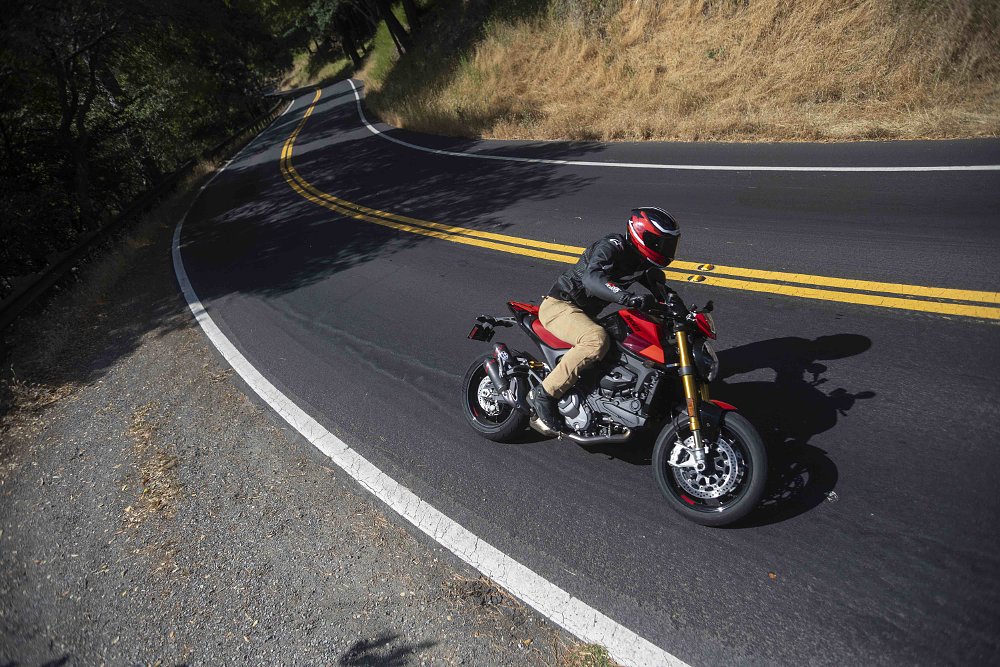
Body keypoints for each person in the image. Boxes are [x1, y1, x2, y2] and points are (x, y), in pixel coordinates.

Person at [527, 206, 683, 431]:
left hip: (583, 314)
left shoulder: (643, 264)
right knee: (596, 339)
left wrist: (681, 311)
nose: (667, 249)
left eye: (670, 243)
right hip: (559, 306)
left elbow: (662, 291)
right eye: (662, 243)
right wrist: (627, 297)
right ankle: (545, 394)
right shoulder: (612, 246)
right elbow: (592, 278)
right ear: (643, 235)